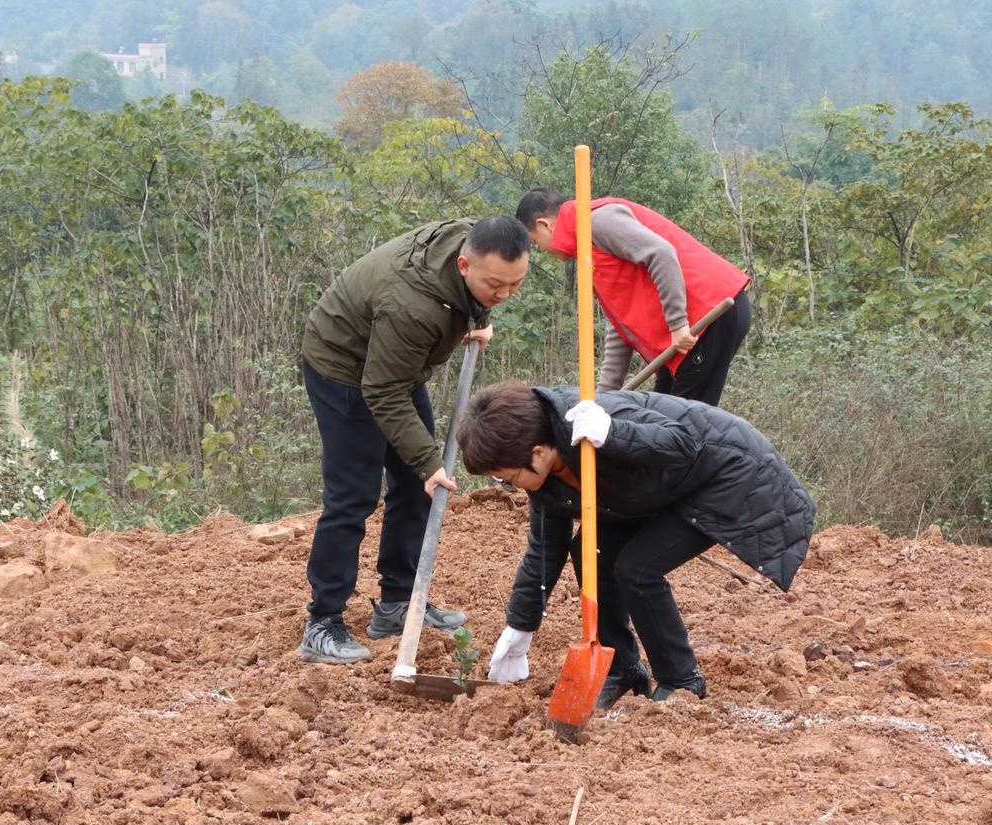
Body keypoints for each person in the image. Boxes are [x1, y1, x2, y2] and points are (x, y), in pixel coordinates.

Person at [455, 382, 816, 705]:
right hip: (660, 488)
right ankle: (623, 669)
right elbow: (545, 550)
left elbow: (684, 443)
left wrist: (613, 433)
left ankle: (682, 680)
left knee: (637, 569)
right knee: (590, 552)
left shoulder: (594, 418)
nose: (509, 487)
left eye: (508, 478)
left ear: (537, 453)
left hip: (725, 474)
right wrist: (521, 626)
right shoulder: (545, 475)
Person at [298, 217, 531, 664]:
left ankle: (398, 603)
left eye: (514, 284)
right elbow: (382, 391)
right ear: (464, 265)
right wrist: (429, 461)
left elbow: (469, 297)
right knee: (353, 495)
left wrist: (480, 315)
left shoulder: (474, 241)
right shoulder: (413, 307)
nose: (504, 294)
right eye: (494, 285)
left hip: (393, 366)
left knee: (415, 484)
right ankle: (322, 622)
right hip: (344, 365)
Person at [516, 188, 751, 406]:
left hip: (709, 315)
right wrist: (604, 398)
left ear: (544, 225)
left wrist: (678, 324)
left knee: (683, 426)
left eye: (535, 242)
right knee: (659, 417)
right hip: (688, 333)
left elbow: (661, 254)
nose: (542, 249)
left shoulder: (597, 221)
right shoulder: (587, 255)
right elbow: (620, 323)